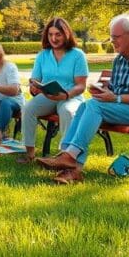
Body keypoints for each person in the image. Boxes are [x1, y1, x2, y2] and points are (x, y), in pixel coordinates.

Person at [36, 14, 129, 184]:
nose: (112, 41)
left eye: (116, 37)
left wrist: (116, 98)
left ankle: (69, 156)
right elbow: (114, 89)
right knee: (85, 106)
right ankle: (72, 169)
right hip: (124, 109)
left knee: (94, 106)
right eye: (111, 37)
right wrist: (102, 91)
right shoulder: (120, 60)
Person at [19, 17, 88, 164]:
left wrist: (67, 94)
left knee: (67, 111)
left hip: (71, 96)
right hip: (48, 95)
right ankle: (29, 153)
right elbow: (35, 79)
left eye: (58, 34)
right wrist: (34, 88)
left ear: (66, 34)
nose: (54, 38)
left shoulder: (77, 55)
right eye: (50, 35)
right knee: (28, 108)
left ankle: (66, 156)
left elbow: (81, 85)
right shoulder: (42, 55)